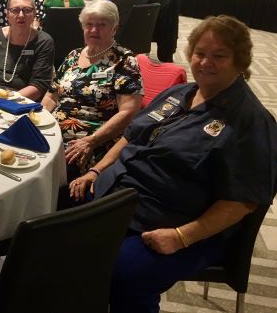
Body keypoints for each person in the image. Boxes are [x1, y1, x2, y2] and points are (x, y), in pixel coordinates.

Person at [69, 15, 277, 313]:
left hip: (173, 223)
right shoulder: (179, 93)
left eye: (219, 56)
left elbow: (243, 201)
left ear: (240, 61)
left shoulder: (251, 121)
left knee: (125, 274)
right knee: (52, 226)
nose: (205, 63)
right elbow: (131, 136)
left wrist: (180, 237)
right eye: (200, 54)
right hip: (117, 195)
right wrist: (96, 169)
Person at [41, 0, 143, 186]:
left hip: (92, 139)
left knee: (48, 171)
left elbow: (129, 112)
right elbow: (51, 96)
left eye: (101, 25)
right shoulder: (73, 56)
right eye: (89, 24)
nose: (94, 30)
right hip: (53, 131)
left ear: (114, 28)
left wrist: (92, 141)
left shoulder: (124, 61)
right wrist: (36, 122)